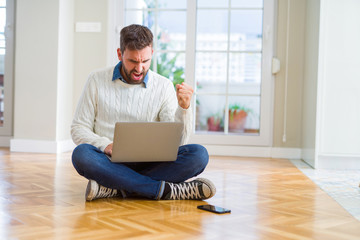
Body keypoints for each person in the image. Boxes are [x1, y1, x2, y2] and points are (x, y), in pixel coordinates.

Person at [71, 24, 216, 201]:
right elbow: (78, 128)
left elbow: (177, 143)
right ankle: (165, 190)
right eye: (133, 61)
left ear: (152, 54)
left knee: (198, 154)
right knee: (82, 155)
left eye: (145, 61)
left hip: (152, 163)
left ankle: (116, 188)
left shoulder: (163, 86)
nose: (139, 69)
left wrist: (184, 109)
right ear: (120, 54)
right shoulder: (96, 79)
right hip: (109, 162)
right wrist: (106, 145)